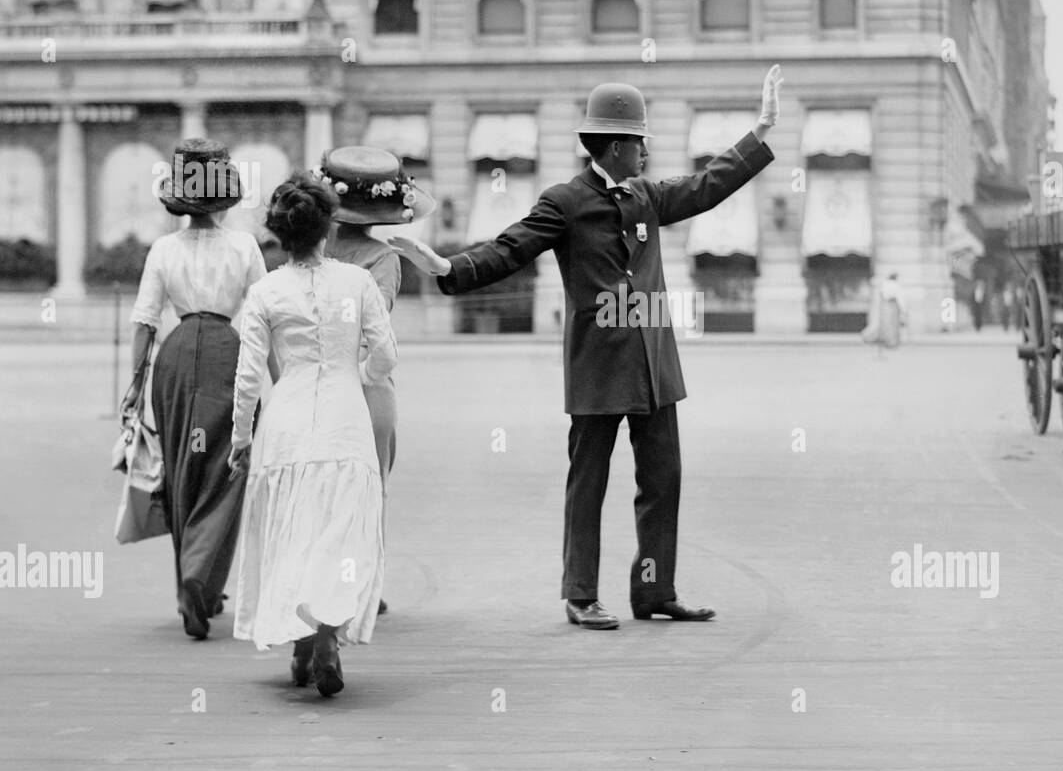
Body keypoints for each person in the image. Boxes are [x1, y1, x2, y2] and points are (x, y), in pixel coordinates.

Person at [392, 65, 782, 630]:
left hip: (652, 367)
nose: (647, 151)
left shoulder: (647, 196)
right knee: (589, 482)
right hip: (598, 368)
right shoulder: (566, 202)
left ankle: (654, 592)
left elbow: (706, 186)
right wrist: (448, 267)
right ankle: (580, 595)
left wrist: (761, 130)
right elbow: (511, 248)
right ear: (616, 145)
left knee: (663, 480)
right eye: (640, 142)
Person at [227, 173, 396, 697]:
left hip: (287, 424)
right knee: (340, 529)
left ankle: (300, 631)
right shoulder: (358, 282)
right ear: (328, 228)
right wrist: (358, 374)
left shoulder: (265, 292)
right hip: (346, 423)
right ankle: (327, 631)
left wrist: (239, 438)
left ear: (279, 234)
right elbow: (386, 355)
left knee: (293, 528)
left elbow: (249, 376)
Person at [127, 138, 266, 640]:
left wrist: (134, 383)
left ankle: (189, 569)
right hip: (228, 353)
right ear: (225, 199)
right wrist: (273, 372)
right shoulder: (245, 246)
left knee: (182, 463)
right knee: (227, 467)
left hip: (177, 355)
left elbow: (144, 321)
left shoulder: (164, 249)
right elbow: (263, 313)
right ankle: (203, 578)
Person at [322, 146, 436, 617]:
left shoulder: (314, 250)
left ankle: (323, 581)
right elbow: (376, 331)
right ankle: (363, 580)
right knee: (370, 488)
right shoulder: (383, 259)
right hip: (366, 386)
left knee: (322, 487)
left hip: (316, 381)